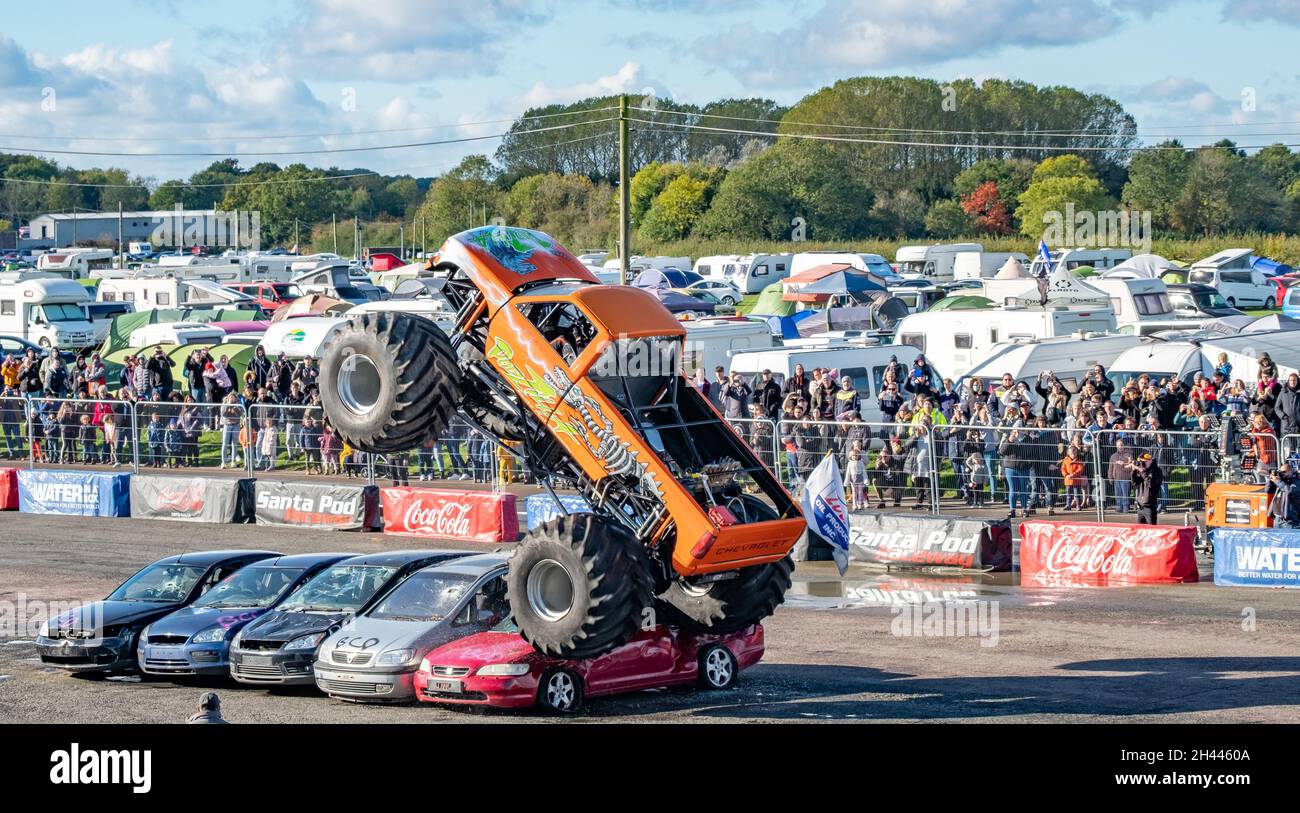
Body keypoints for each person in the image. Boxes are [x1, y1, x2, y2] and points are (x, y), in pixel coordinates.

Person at [1130, 451, 1163, 525]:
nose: (1142, 464)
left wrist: (1142, 472)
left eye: (1144, 462)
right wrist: (1134, 471)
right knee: (1141, 531)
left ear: (1150, 461)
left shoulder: (1157, 471)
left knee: (1151, 531)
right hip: (1140, 507)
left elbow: (1151, 484)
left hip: (1149, 507)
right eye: (1141, 462)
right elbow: (1135, 483)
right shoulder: (1143, 470)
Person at [1267, 463, 1300, 529]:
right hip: (1278, 519)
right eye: (1280, 472)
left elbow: (1289, 490)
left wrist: (1278, 482)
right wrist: (1270, 480)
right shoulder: (1281, 482)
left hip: (1291, 521)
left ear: (1291, 471)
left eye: (1284, 472)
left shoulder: (1297, 481)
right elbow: (1268, 491)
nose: (1282, 474)